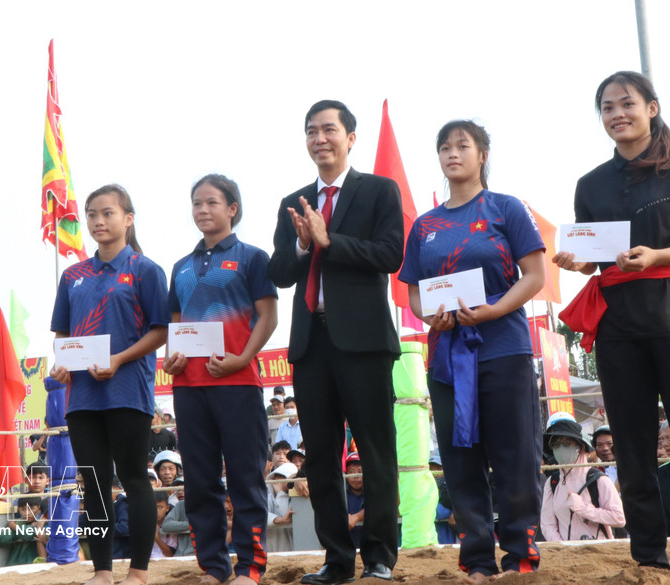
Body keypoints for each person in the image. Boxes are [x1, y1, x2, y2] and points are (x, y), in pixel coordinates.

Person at [554, 71, 670, 578]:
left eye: (627, 104)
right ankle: (649, 560)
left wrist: (656, 255)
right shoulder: (590, 184)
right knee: (632, 449)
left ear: (651, 108)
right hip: (618, 328)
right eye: (608, 107)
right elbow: (596, 256)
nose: (618, 114)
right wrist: (577, 262)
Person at [399, 120, 545, 583]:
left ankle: (521, 557)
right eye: (444, 147)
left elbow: (535, 275)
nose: (452, 153)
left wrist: (494, 309)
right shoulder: (425, 226)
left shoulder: (506, 209)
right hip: (446, 357)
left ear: (483, 155)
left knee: (514, 456)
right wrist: (429, 317)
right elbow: (415, 294)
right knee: (461, 461)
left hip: (503, 349)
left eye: (463, 145)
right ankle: (476, 561)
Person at [268, 99, 402, 585]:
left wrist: (329, 241)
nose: (319, 139)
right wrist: (303, 244)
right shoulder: (294, 200)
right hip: (311, 345)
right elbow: (279, 271)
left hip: (363, 342)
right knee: (321, 457)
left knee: (375, 452)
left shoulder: (378, 191)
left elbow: (390, 254)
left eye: (329, 130)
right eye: (311, 131)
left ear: (350, 137)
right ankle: (337, 559)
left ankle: (381, 556)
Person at [49, 183, 170, 585]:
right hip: (81, 396)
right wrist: (62, 362)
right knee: (93, 482)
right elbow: (63, 336)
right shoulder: (72, 276)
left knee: (134, 477)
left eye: (108, 213)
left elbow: (160, 331)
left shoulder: (145, 270)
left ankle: (138, 571)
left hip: (128, 390)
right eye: (92, 215)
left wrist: (119, 359)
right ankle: (102, 571)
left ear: (128, 218)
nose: (99, 222)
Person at [162, 173, 277, 585]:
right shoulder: (180, 267)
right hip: (189, 388)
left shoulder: (252, 257)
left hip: (239, 382)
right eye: (196, 203)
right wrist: (170, 361)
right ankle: (213, 566)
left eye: (212, 203)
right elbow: (175, 326)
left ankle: (249, 567)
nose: (203, 210)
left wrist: (242, 358)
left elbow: (268, 315)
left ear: (232, 209)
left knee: (246, 478)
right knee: (200, 482)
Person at [540, 415, 625, 542]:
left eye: (567, 444)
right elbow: (547, 524)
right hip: (564, 555)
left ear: (580, 447)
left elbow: (619, 518)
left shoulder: (598, 479)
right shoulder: (552, 482)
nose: (561, 448)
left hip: (598, 553)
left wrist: (583, 508)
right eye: (556, 444)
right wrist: (563, 547)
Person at [266, 461, 297, 552]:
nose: (279, 480)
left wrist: (280, 493)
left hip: (291, 549)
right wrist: (278, 520)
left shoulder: (296, 499)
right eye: (277, 477)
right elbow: (260, 516)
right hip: (270, 550)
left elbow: (284, 513)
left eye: (283, 477)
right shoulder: (267, 498)